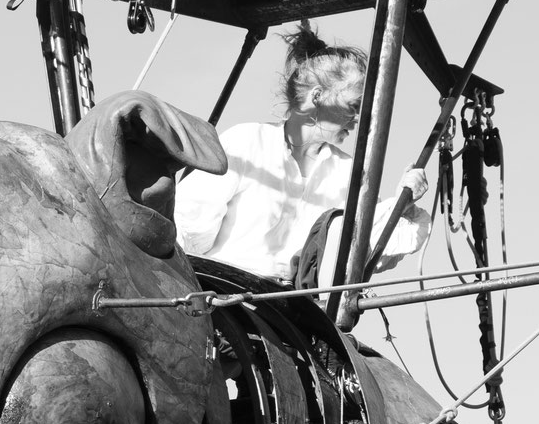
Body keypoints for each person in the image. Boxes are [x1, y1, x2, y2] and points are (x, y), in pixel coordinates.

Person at [175, 24, 429, 285]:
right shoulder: (247, 141)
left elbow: (364, 242)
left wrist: (402, 201)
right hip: (226, 293)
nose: (358, 119)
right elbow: (191, 225)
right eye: (354, 106)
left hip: (296, 311)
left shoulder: (347, 171)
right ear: (317, 96)